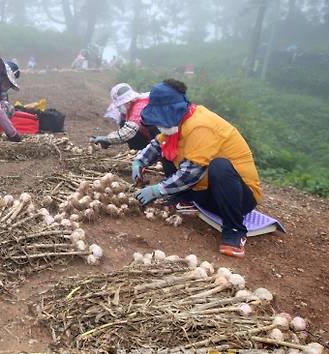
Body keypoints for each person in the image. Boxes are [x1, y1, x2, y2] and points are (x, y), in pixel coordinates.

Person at [132, 79, 262, 258]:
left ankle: (234, 230)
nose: (159, 124)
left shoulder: (201, 126)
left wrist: (157, 190)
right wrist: (139, 162)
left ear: (173, 112)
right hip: (208, 193)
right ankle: (183, 198)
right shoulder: (180, 122)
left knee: (220, 166)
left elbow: (191, 173)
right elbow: (157, 143)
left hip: (240, 198)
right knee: (167, 149)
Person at [91, 83, 158, 151]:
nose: (119, 108)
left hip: (161, 138)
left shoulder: (140, 106)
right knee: (123, 123)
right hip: (150, 138)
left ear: (127, 101)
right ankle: (142, 151)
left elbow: (127, 132)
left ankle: (153, 151)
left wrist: (106, 139)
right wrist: (108, 141)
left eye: (120, 105)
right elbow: (123, 131)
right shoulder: (128, 110)